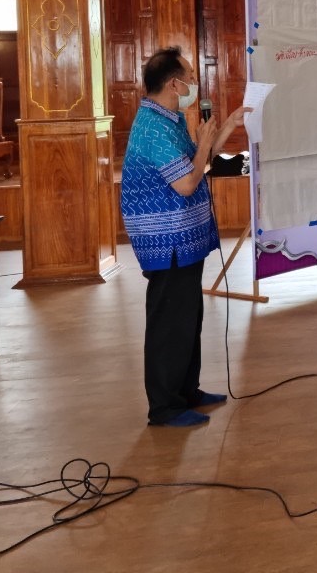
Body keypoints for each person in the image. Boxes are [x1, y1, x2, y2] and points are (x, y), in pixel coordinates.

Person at [120, 47, 250, 427]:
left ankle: (186, 391)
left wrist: (228, 126)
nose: (195, 83)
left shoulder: (170, 118)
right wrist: (205, 143)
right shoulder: (153, 128)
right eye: (190, 77)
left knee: (188, 316)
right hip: (167, 240)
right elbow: (187, 183)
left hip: (183, 235)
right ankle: (164, 407)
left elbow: (199, 160)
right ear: (174, 84)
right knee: (169, 322)